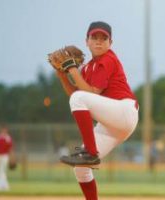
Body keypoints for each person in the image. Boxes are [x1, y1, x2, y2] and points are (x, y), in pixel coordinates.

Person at [56, 21, 139, 200]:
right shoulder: (87, 68)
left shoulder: (108, 58)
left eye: (104, 38)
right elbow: (76, 94)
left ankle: (91, 153)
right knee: (81, 169)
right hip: (112, 123)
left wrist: (72, 69)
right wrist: (63, 75)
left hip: (124, 111)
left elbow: (92, 93)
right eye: (94, 37)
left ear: (110, 43)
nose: (99, 41)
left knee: (79, 99)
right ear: (87, 41)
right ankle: (90, 157)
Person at [0, 125, 14, 191]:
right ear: (0, 130)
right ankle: (3, 186)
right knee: (0, 171)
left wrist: (12, 157)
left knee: (2, 171)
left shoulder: (8, 137)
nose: (4, 131)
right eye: (2, 129)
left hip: (5, 156)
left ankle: (1, 186)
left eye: (5, 129)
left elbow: (10, 148)